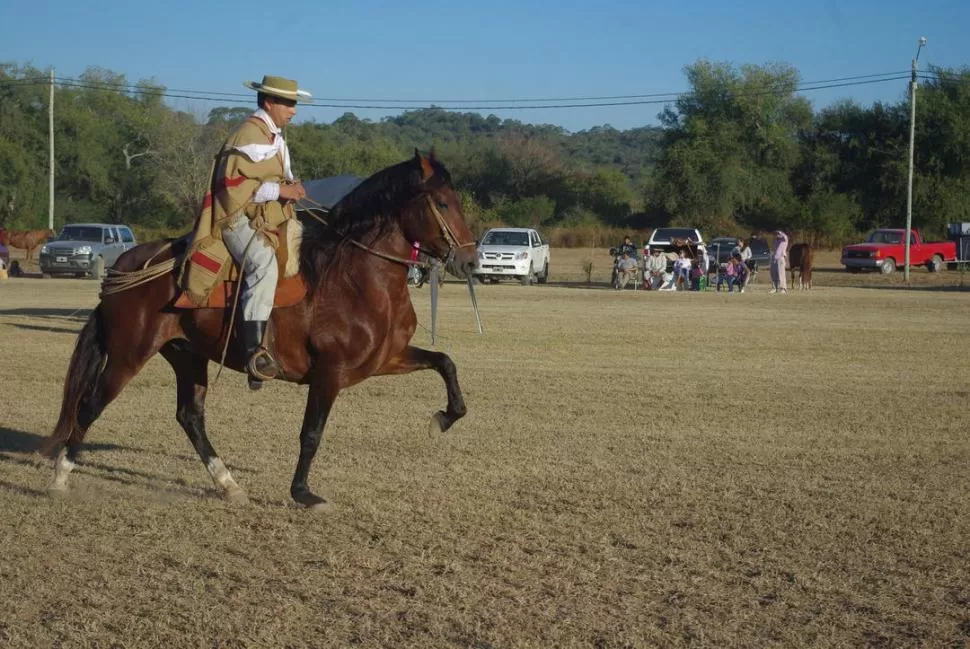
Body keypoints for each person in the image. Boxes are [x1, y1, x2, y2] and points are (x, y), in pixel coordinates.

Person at [181, 75, 311, 386]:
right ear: (270, 102)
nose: (294, 110)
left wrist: (290, 188)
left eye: (294, 103)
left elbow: (268, 179)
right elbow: (233, 187)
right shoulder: (249, 134)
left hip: (264, 217)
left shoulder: (272, 136)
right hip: (236, 219)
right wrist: (281, 192)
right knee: (263, 261)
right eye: (289, 103)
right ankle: (253, 351)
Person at [770, 230, 789, 294]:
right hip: (774, 258)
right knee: (773, 274)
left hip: (781, 258)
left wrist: (780, 232)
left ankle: (783, 288)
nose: (776, 235)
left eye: (778, 234)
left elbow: (784, 236)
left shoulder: (784, 239)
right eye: (776, 234)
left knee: (781, 274)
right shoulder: (776, 240)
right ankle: (774, 288)